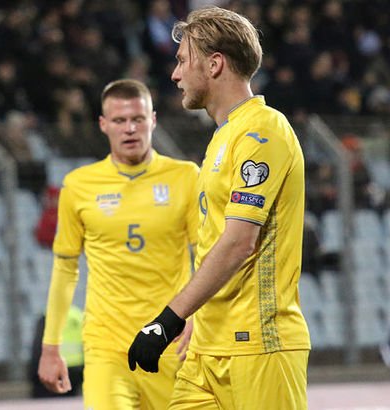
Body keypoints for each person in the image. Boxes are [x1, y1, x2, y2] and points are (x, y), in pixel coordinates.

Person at [128, 7, 310, 409]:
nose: (174, 75)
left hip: (259, 346)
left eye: (182, 61)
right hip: (206, 348)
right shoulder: (223, 139)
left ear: (214, 65)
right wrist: (196, 315)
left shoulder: (263, 130)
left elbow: (239, 242)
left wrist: (168, 320)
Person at [38, 79, 200, 410]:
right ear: (103, 124)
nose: (130, 129)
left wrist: (201, 317)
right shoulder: (79, 186)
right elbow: (65, 268)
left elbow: (207, 256)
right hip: (107, 347)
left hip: (170, 342)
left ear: (153, 120)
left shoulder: (186, 177)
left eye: (138, 119)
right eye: (119, 120)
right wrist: (50, 347)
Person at [29, 305, 84, 398]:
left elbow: (38, 348)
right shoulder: (79, 316)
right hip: (76, 369)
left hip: (53, 368)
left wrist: (34, 375)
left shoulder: (47, 316)